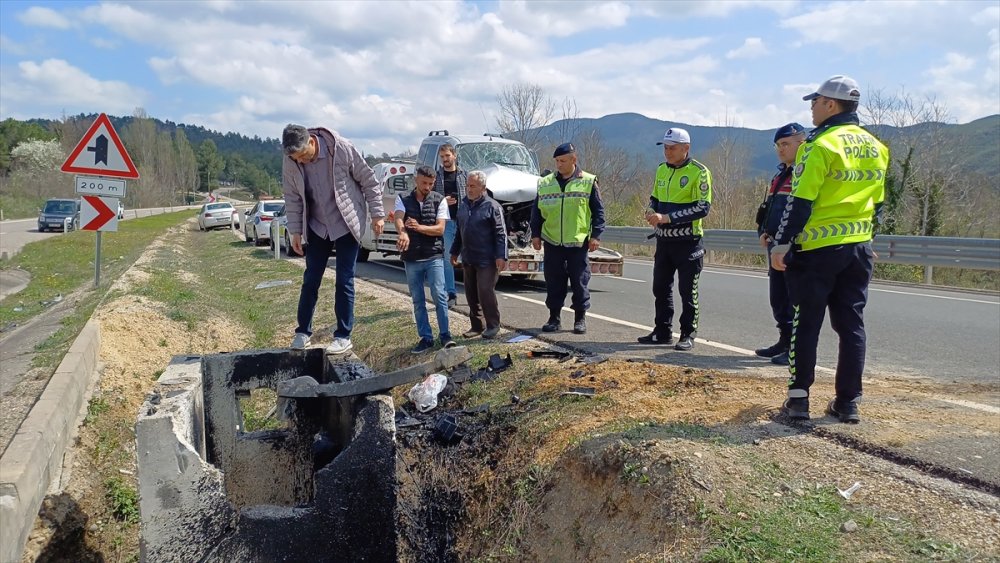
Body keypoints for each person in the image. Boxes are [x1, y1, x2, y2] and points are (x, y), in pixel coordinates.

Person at [771, 75, 888, 423]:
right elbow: (878, 203)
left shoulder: (818, 145)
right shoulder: (876, 147)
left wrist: (782, 243)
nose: (812, 107)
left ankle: (798, 400)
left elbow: (800, 201)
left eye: (816, 101)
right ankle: (848, 402)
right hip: (858, 248)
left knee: (805, 323)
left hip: (817, 249)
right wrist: (868, 238)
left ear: (831, 104)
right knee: (851, 325)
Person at [282, 124, 385, 355]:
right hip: (317, 224)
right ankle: (302, 332)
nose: (301, 161)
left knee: (344, 280)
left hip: (346, 221)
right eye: (296, 159)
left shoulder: (341, 148)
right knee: (311, 279)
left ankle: (343, 336)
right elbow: (292, 197)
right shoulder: (291, 160)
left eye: (303, 156)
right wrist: (295, 231)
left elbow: (368, 180)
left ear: (311, 142)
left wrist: (378, 214)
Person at [637, 128, 712, 351]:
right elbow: (654, 198)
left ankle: (688, 334)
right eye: (665, 148)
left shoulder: (699, 172)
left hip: (689, 243)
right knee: (660, 288)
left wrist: (668, 218)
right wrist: (651, 211)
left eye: (672, 148)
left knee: (688, 291)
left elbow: (702, 208)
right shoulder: (661, 169)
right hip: (664, 242)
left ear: (685, 148)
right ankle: (662, 331)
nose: (667, 152)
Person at [529, 143, 606, 335]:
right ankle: (554, 318)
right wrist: (535, 234)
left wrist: (596, 235)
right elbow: (536, 212)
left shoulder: (588, 181)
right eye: (557, 161)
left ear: (574, 159)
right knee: (554, 282)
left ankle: (580, 319)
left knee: (579, 282)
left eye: (563, 161)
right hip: (552, 241)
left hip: (577, 242)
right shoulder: (545, 183)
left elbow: (598, 212)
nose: (559, 164)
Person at [753, 123, 807, 365]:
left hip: (794, 246)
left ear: (801, 144)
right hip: (775, 244)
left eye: (785, 144)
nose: (780, 149)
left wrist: (787, 240)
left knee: (795, 299)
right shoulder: (780, 175)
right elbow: (769, 208)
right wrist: (764, 231)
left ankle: (795, 349)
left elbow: (800, 210)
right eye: (777, 145)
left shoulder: (804, 173)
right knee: (778, 298)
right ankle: (784, 341)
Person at [396, 165, 455, 354]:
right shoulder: (403, 198)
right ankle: (426, 338)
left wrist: (418, 228)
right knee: (417, 299)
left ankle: (445, 335)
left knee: (439, 295)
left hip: (433, 255)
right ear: (416, 180)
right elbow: (398, 218)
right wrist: (403, 232)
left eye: (430, 183)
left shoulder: (439, 200)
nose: (427, 187)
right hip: (412, 257)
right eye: (424, 183)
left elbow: (440, 229)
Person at [450, 171, 508, 339]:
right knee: (471, 293)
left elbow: (501, 233)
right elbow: (459, 232)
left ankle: (493, 325)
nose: (469, 189)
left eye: (473, 186)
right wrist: (454, 251)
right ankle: (476, 326)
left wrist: (502, 256)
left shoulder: (492, 206)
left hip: (487, 258)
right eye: (467, 186)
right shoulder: (463, 205)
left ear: (483, 187)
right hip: (469, 257)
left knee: (485, 290)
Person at [434, 144, 467, 308]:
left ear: (454, 155)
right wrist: (443, 201)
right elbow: (430, 198)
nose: (445, 159)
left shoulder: (464, 175)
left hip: (463, 222)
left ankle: (473, 294)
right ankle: (451, 293)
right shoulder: (436, 176)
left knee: (468, 258)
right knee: (448, 259)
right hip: (446, 222)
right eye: (442, 157)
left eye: (447, 156)